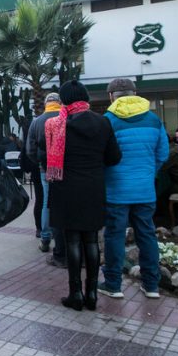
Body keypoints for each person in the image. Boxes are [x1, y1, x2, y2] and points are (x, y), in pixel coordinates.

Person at [43, 80, 122, 311]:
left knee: (72, 240)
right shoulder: (103, 122)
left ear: (64, 100)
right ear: (85, 98)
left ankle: (75, 293)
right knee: (91, 240)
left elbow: (45, 155)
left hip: (66, 187)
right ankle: (93, 294)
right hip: (94, 187)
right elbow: (114, 157)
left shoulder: (56, 124)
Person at [101, 78, 169, 300]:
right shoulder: (154, 120)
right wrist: (148, 173)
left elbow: (101, 156)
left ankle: (113, 284)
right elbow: (162, 155)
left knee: (114, 236)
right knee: (147, 234)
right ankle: (151, 285)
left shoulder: (108, 120)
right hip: (145, 189)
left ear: (112, 96)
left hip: (116, 190)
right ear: (135, 93)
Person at [26, 92, 66, 262]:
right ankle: (63, 238)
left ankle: (45, 238)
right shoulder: (66, 118)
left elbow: (30, 149)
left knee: (47, 202)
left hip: (45, 168)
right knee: (65, 201)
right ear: (59, 102)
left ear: (46, 104)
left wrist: (40, 163)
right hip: (66, 168)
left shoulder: (37, 122)